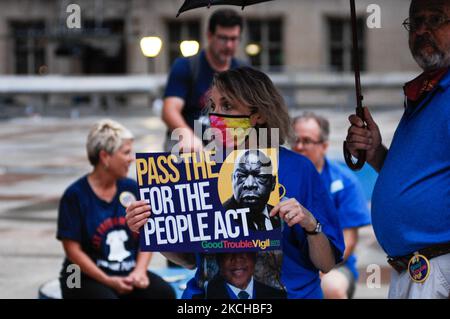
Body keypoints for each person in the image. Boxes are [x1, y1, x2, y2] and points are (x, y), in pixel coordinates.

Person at [127, 67, 345, 299]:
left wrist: (310, 223)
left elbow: (326, 263)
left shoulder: (299, 169)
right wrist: (152, 229)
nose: (214, 116)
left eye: (227, 106)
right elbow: (189, 260)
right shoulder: (199, 168)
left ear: (258, 114)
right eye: (212, 107)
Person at [345, 0, 450, 299]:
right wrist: (375, 152)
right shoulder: (427, 92)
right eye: (414, 22)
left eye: (435, 19)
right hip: (414, 271)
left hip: (439, 269)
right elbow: (424, 176)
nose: (421, 30)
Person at [56, 119, 175, 299]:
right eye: (126, 152)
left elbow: (148, 234)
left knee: (164, 293)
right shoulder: (75, 195)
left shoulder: (132, 188)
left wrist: (140, 272)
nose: (132, 158)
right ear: (105, 156)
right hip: (81, 276)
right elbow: (73, 251)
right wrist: (108, 281)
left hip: (127, 272)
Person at [292, 113, 371, 299]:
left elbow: (348, 241)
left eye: (307, 141)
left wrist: (323, 267)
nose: (299, 146)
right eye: (295, 140)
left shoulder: (345, 181)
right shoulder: (279, 177)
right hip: (288, 263)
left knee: (332, 288)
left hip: (334, 265)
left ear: (324, 146)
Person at [162, 9, 246, 153]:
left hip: (227, 151)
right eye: (223, 38)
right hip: (190, 150)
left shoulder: (243, 71)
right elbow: (170, 110)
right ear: (209, 36)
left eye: (234, 39)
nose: (229, 46)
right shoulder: (187, 66)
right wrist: (185, 134)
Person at [223, 149, 281, 231]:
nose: (249, 184)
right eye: (241, 176)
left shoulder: (280, 216)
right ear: (233, 180)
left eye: (261, 176)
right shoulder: (220, 216)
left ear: (273, 183)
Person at [206, 253, 286, 299]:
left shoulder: (280, 296)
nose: (237, 258)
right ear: (219, 259)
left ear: (255, 255)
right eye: (228, 250)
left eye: (244, 247)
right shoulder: (204, 296)